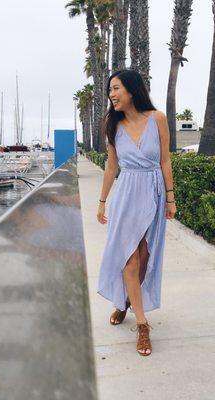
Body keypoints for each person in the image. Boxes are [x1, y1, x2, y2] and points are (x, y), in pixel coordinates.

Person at [96, 69, 176, 356]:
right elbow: (110, 166)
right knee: (130, 257)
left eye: (116, 88)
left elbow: (165, 160)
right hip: (127, 194)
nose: (112, 94)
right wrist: (103, 201)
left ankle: (126, 301)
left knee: (145, 256)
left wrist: (170, 198)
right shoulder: (113, 125)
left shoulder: (157, 119)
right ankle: (142, 325)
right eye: (109, 90)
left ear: (132, 89)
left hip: (153, 191)